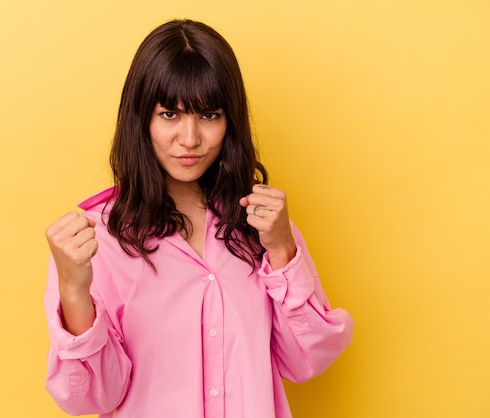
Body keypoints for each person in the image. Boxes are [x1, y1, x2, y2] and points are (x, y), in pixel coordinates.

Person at [44, 19, 353, 418]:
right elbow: (90, 398)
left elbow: (308, 360)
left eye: (209, 115)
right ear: (141, 119)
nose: (189, 139)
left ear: (230, 121)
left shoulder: (260, 225)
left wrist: (281, 250)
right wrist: (73, 291)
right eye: (170, 114)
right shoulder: (96, 238)